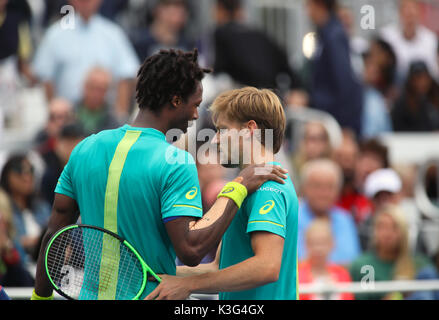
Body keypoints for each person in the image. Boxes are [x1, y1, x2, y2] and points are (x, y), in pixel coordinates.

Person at [31, 48, 288, 300]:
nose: (197, 114)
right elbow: (191, 249)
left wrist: (39, 298)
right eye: (195, 104)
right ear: (176, 101)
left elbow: (53, 235)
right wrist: (239, 186)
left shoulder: (84, 149)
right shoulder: (175, 161)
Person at [146, 86, 299, 300]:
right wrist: (160, 276)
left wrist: (188, 285)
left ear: (250, 130)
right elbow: (219, 268)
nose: (215, 139)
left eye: (223, 130)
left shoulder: (268, 188)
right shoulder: (249, 186)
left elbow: (267, 267)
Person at [32, 0, 139, 120]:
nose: (85, 2)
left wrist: (120, 118)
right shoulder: (55, 34)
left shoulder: (114, 34)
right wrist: (55, 116)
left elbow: (125, 76)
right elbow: (45, 77)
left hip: (106, 120)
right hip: (68, 119)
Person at [211, 0, 303, 99]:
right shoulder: (258, 33)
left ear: (219, 10)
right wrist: (296, 88)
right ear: (240, 11)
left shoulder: (221, 33)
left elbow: (219, 70)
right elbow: (284, 60)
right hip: (271, 97)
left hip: (245, 99)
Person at [350, 204, 437, 300]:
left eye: (394, 227)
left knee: (427, 274)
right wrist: (395, 294)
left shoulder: (418, 262)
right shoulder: (364, 265)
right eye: (382, 227)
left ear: (402, 232)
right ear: (374, 231)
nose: (387, 233)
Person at [305, 0, 363, 137]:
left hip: (338, 121)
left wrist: (310, 100)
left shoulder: (334, 36)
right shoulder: (326, 34)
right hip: (332, 116)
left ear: (319, 5)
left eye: (308, 6)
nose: (307, 12)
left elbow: (344, 83)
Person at [298, 158, 360, 265]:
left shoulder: (344, 219)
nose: (323, 193)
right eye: (317, 186)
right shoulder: (291, 217)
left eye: (330, 187)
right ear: (304, 188)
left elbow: (352, 260)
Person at [0, 154, 51, 262]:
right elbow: (7, 243)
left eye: (30, 171)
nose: (26, 177)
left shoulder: (41, 205)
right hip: (22, 265)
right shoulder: (3, 206)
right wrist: (35, 242)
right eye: (19, 171)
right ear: (7, 175)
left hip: (47, 262)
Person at [380, 0, 439, 85]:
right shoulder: (386, 37)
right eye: (407, 15)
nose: (409, 20)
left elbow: (433, 72)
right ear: (399, 13)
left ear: (419, 14)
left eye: (412, 15)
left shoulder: (430, 40)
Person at [298, 219, 354, 300]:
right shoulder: (296, 275)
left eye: (323, 243)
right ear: (306, 244)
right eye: (313, 243)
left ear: (332, 243)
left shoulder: (342, 274)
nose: (318, 248)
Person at [40, 122, 85, 206]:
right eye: (67, 143)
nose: (71, 148)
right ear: (57, 144)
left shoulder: (90, 172)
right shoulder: (50, 175)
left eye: (75, 142)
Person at [391, 60, 439, 132]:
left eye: (425, 78)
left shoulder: (433, 99)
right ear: (410, 80)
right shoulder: (401, 104)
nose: (422, 82)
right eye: (418, 78)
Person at [75, 67, 120, 136]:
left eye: (101, 89)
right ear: (85, 86)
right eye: (92, 87)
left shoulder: (113, 123)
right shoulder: (71, 114)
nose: (96, 94)